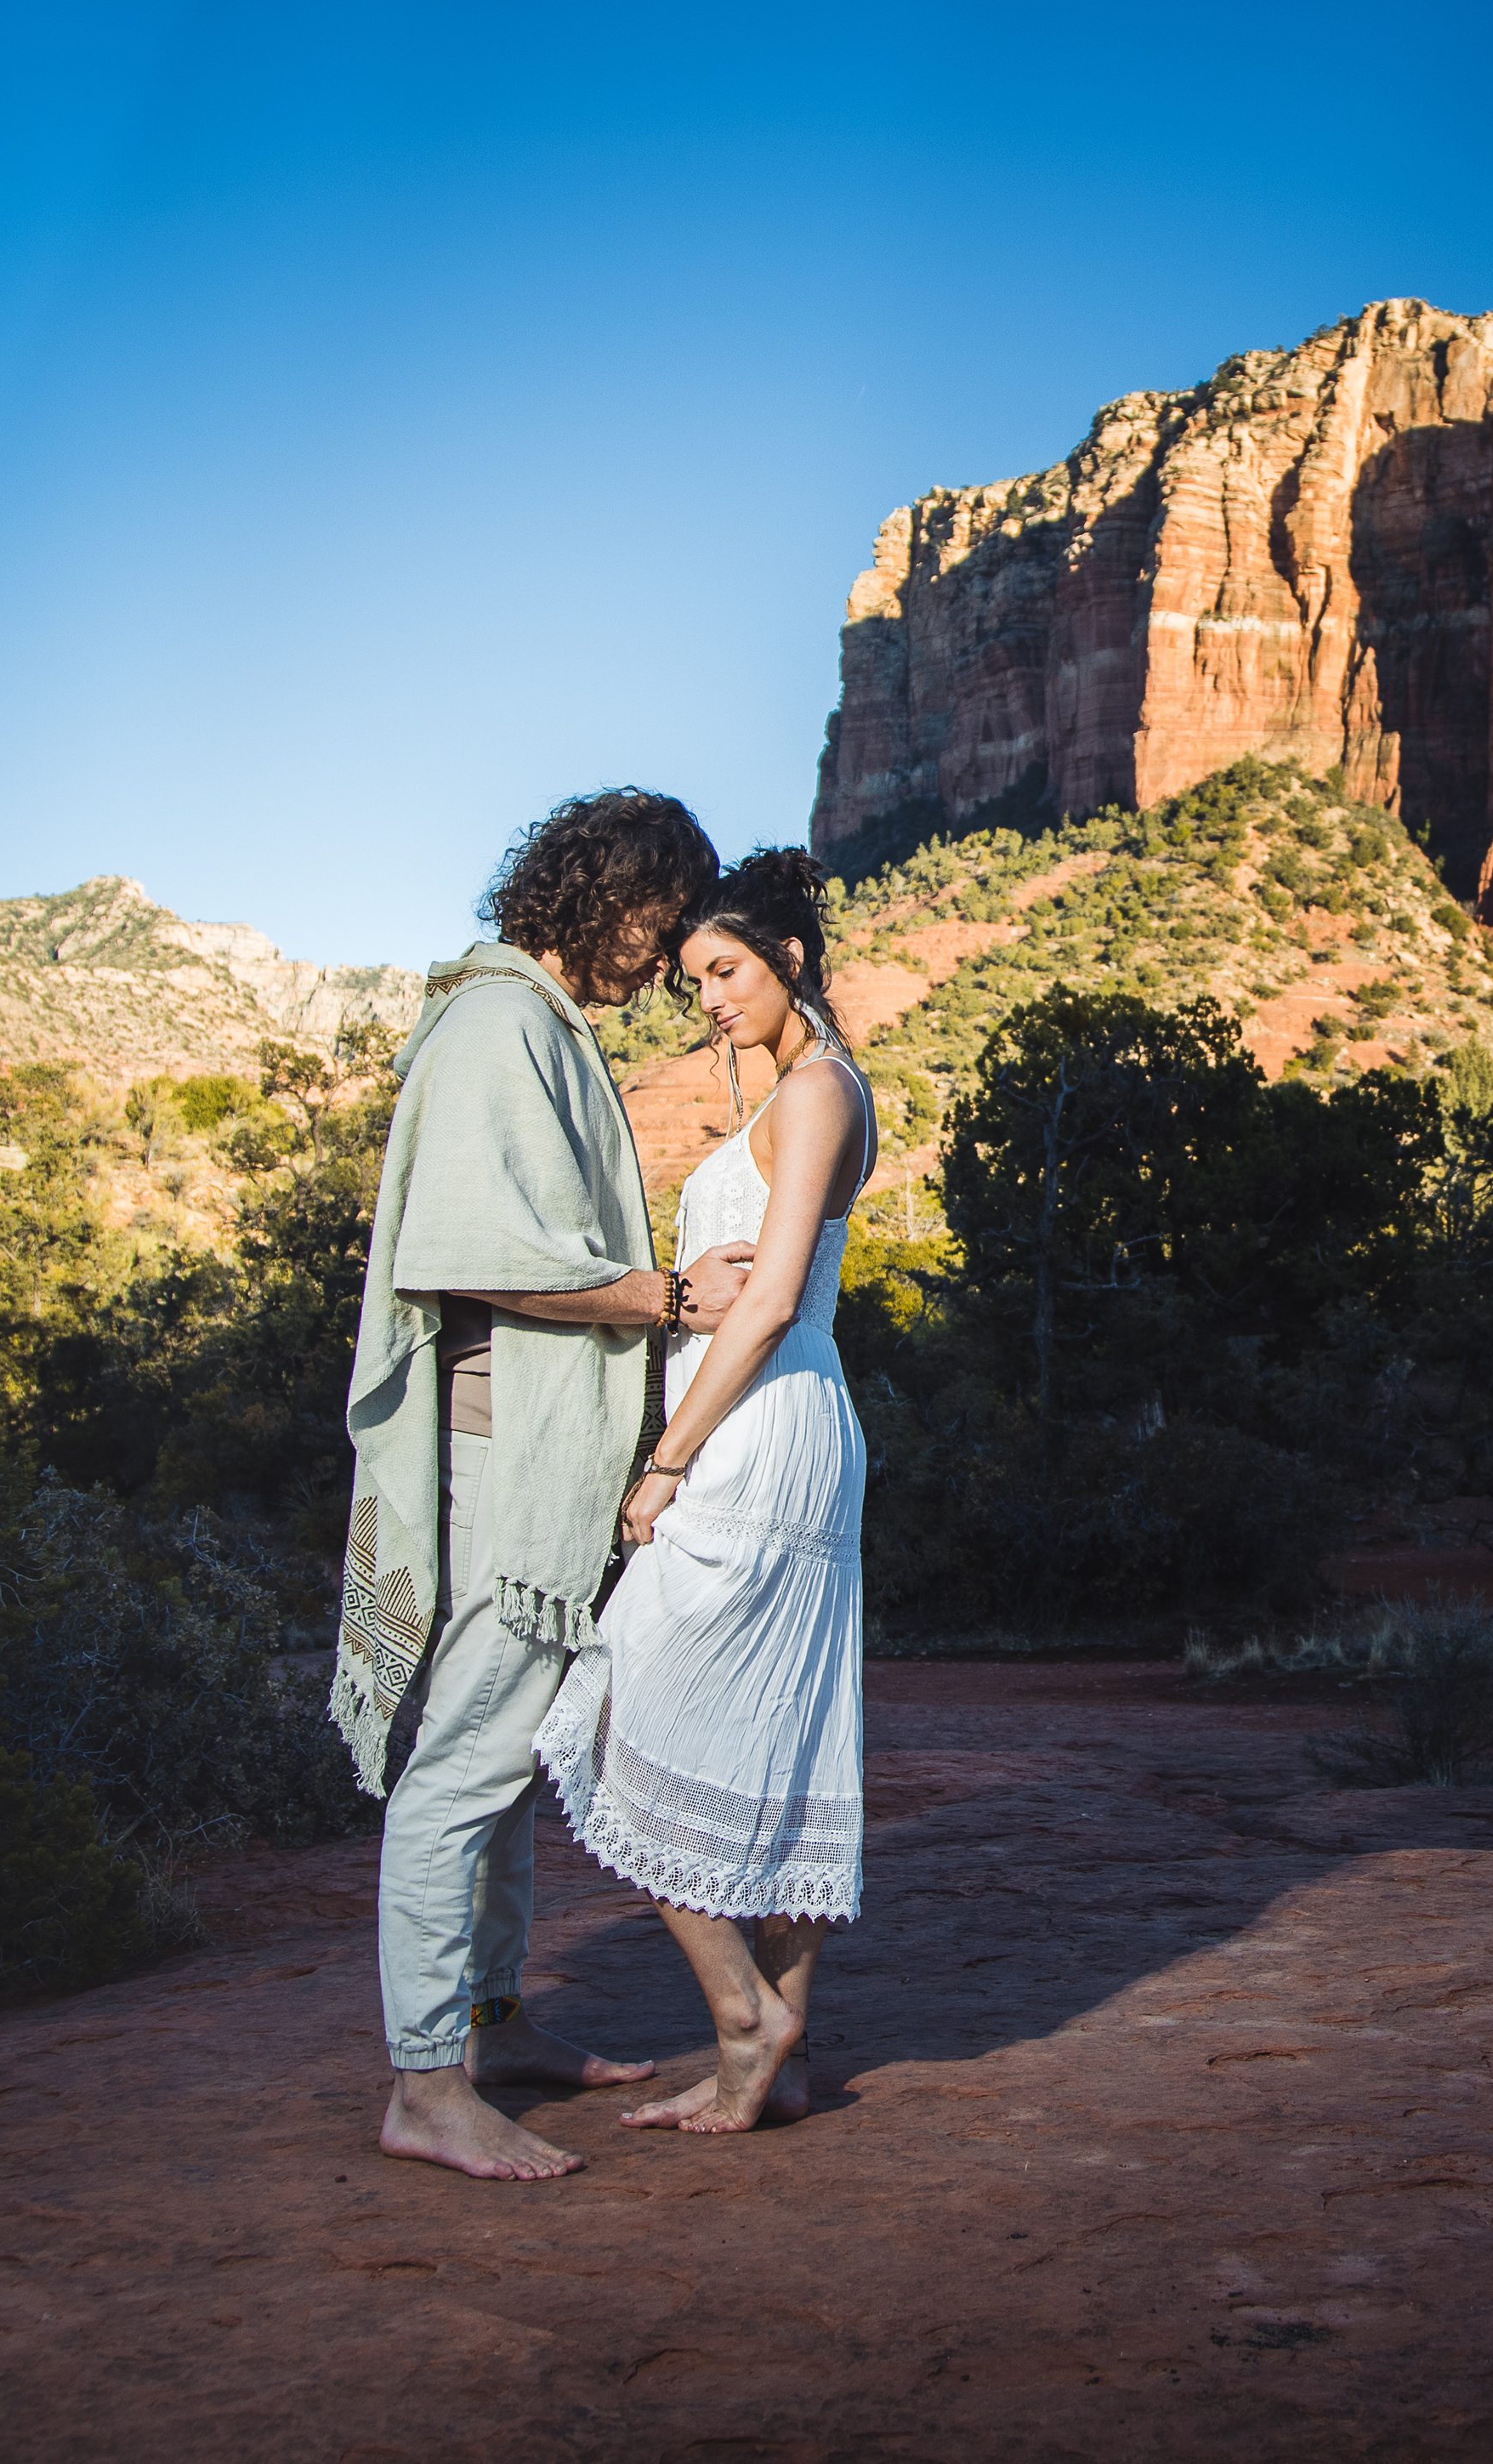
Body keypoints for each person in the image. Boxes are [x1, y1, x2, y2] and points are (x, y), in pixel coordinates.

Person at [336, 787, 754, 2183]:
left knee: (506, 1762)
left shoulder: (530, 1021)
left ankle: (495, 2026)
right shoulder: (501, 1023)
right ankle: (422, 2083)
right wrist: (658, 1296)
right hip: (497, 1455)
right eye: (653, 914)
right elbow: (460, 1248)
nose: (658, 950)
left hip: (520, 1447)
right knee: (461, 1768)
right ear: (599, 892)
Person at [536, 848, 875, 2135]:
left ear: (790, 962)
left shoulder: (818, 1095)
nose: (711, 999)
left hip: (756, 1430)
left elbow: (776, 1296)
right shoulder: (808, 1089)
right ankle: (779, 2062)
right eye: (694, 982)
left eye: (727, 971)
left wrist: (665, 1459)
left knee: (616, 1706)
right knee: (776, 1736)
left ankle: (744, 2014)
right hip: (782, 1421)